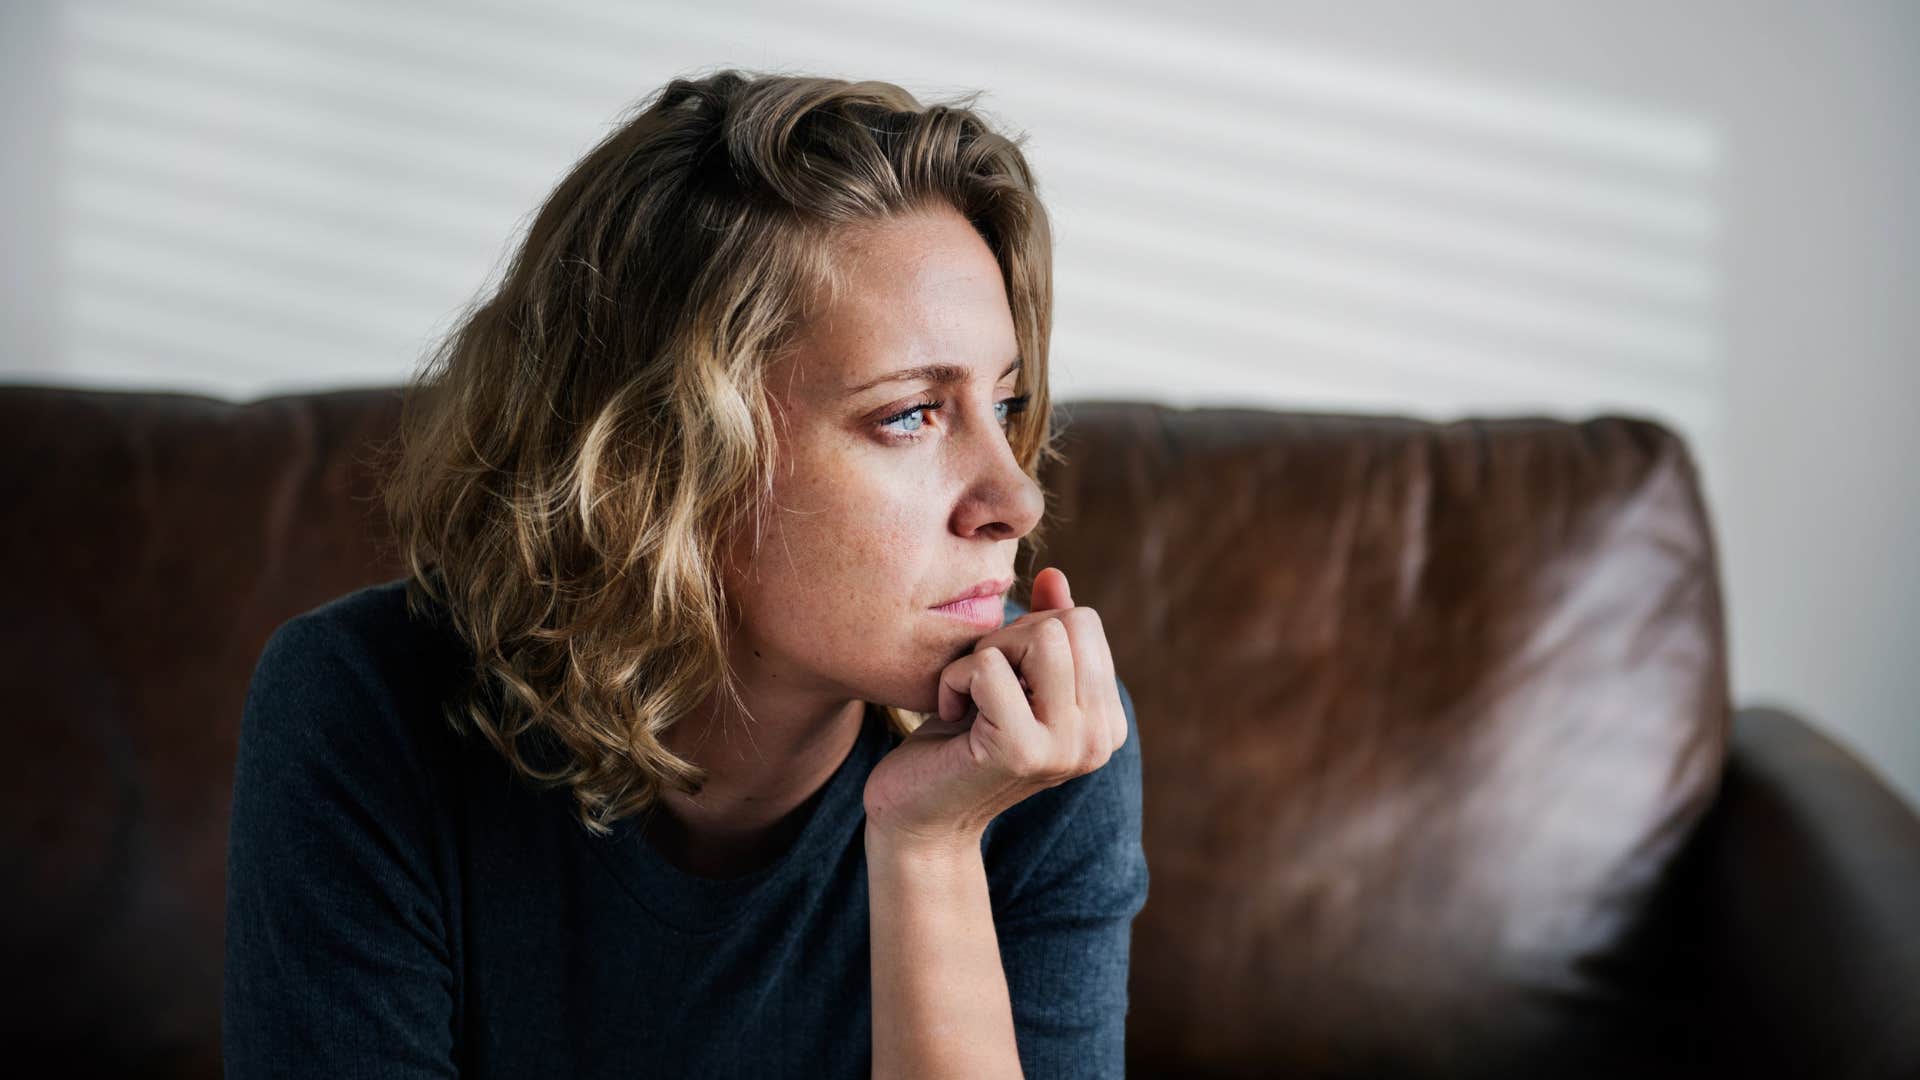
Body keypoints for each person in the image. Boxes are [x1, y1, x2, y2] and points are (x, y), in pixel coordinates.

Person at [222, 70, 1146, 1078]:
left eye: (1005, 406)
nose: (1017, 500)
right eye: (910, 414)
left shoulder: (1038, 752)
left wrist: (928, 849)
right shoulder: (363, 709)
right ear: (664, 460)